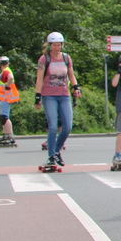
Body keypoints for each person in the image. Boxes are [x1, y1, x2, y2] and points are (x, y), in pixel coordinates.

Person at [34, 32, 80, 167]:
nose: (56, 48)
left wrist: (76, 87)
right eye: (54, 45)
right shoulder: (44, 59)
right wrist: (37, 96)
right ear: (49, 45)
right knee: (53, 127)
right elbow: (39, 78)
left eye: (59, 45)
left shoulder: (66, 58)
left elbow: (71, 75)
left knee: (68, 127)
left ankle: (57, 151)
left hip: (64, 95)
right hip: (49, 95)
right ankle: (51, 156)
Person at [0, 56, 19, 146]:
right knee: (3, 117)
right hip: (4, 97)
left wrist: (7, 86)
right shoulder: (6, 71)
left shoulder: (6, 71)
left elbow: (10, 78)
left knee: (5, 117)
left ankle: (9, 136)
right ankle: (6, 135)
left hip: (5, 98)